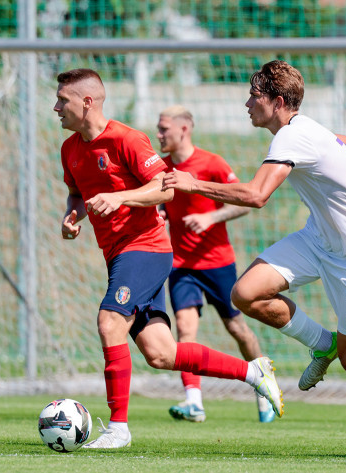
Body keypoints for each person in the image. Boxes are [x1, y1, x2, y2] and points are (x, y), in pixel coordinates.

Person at [162, 60, 346, 458]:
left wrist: (192, 183)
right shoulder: (302, 130)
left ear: (278, 101)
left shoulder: (292, 138)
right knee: (246, 293)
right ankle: (323, 344)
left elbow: (256, 196)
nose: (247, 102)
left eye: (254, 95)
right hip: (318, 240)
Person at [53, 68, 282, 450]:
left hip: (146, 248)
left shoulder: (127, 139)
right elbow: (76, 193)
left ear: (87, 102)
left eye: (62, 100)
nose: (56, 107)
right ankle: (253, 371)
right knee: (161, 353)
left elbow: (165, 189)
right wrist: (72, 215)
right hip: (117, 255)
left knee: (110, 322)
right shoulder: (70, 149)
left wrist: (121, 197)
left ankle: (118, 429)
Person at [155, 105, 274, 423]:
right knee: (184, 329)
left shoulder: (212, 163)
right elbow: (161, 207)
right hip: (180, 264)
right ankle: (194, 401)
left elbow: (245, 205)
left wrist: (211, 216)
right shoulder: (163, 169)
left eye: (164, 128)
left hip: (217, 263)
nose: (159, 134)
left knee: (237, 327)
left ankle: (264, 385)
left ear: (184, 129)